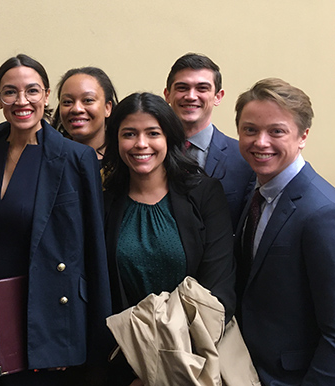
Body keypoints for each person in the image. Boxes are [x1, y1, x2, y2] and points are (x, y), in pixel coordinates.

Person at [0, 54, 112, 385]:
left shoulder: (75, 157)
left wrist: (81, 336)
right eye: (10, 92)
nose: (21, 101)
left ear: (46, 95)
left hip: (44, 314)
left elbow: (92, 252)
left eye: (32, 91)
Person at [102, 92, 236, 385]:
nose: (141, 144)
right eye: (129, 134)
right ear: (116, 141)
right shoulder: (104, 202)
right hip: (127, 367)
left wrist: (164, 369)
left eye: (153, 133)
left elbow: (218, 292)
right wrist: (137, 370)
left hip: (193, 364)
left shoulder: (204, 194)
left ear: (170, 138)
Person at [234, 78, 335, 384]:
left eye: (276, 131)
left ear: (303, 136)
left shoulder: (322, 211)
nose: (260, 142)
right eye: (250, 130)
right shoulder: (255, 191)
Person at [164, 53, 254, 230]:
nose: (191, 96)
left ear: (218, 96)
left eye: (202, 88)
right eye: (182, 88)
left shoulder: (244, 158)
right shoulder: (147, 151)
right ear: (167, 95)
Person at [52, 66, 118, 167]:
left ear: (107, 108)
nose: (77, 109)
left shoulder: (124, 161)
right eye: (67, 102)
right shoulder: (49, 159)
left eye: (88, 100)